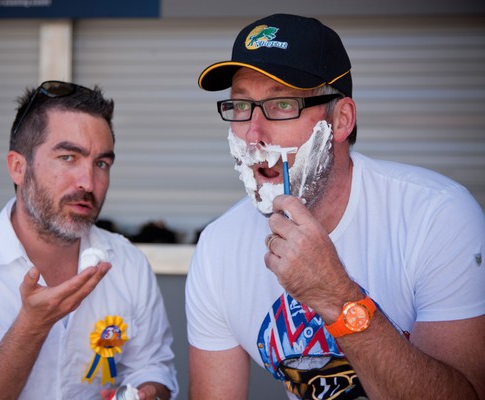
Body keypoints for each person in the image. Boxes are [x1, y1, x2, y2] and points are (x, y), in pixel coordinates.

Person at [185, 14, 485, 400]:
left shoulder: (437, 217)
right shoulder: (218, 248)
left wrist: (336, 296)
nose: (253, 133)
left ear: (341, 119)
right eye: (241, 105)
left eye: (281, 103)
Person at [0, 81, 178, 400]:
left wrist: (148, 391)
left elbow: (153, 368)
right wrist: (31, 326)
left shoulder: (126, 262)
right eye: (68, 157)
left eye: (101, 163)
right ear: (18, 167)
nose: (89, 182)